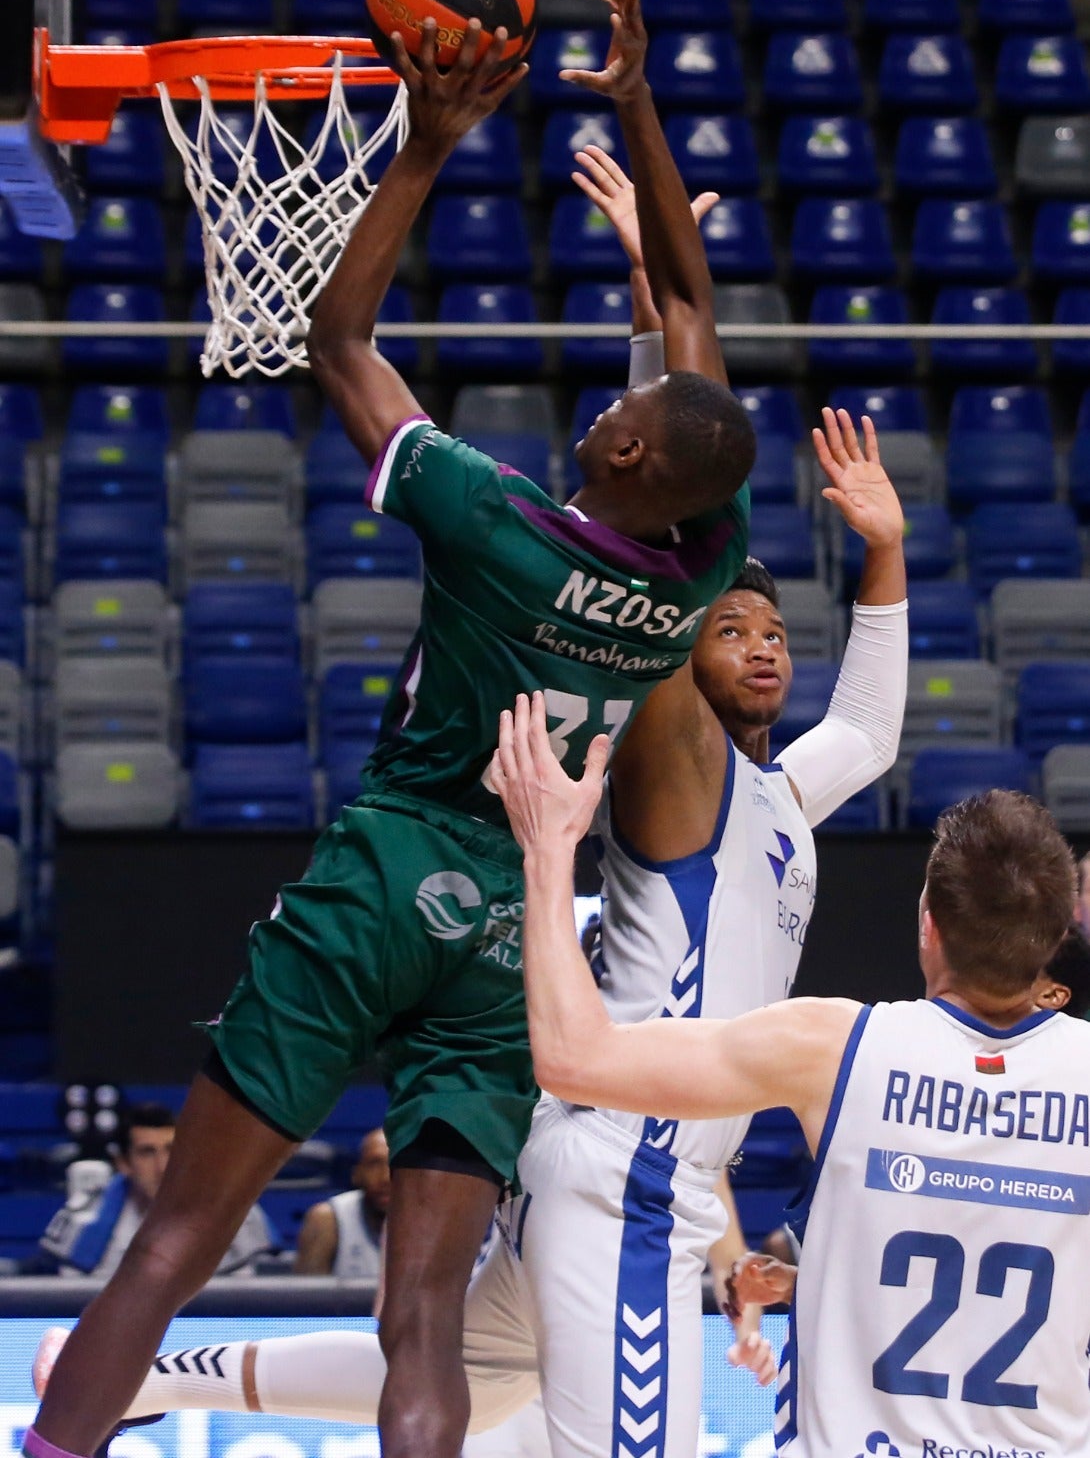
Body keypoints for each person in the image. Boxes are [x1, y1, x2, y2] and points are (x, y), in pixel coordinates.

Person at [26, 0, 755, 1458]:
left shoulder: (492, 518)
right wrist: (641, 109)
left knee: (172, 1242)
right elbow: (689, 316)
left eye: (613, 420)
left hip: (391, 865)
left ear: (624, 466)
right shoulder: (701, 563)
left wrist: (425, 142)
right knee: (417, 1314)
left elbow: (340, 343)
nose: (602, 410)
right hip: (513, 926)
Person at [37, 403, 908, 1450]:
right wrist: (666, 324)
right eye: (729, 628)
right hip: (614, 1158)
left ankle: (171, 1378)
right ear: (675, 642)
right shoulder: (674, 758)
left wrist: (886, 548)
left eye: (774, 633)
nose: (762, 648)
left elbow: (864, 729)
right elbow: (657, 531)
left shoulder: (777, 796)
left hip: (627, 1149)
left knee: (465, 1373)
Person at [491, 692, 1090, 1458]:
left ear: (927, 923)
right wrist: (821, 1284)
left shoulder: (835, 1046)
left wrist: (548, 851)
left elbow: (574, 1058)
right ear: (1056, 937)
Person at [728, 921, 1090, 1320]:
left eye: (1024, 961)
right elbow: (936, 1283)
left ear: (1054, 994)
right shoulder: (924, 1069)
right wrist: (805, 1284)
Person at [38, 1104, 274, 1280]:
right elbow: (68, 1304)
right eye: (147, 1152)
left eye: (172, 1150)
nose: (163, 1167)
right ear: (123, 1163)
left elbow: (243, 1304)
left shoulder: (232, 1212)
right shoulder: (86, 1219)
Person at [293, 1128, 389, 1280]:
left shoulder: (434, 1220)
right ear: (356, 1174)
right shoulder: (327, 1219)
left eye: (396, 1164)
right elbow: (304, 1301)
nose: (386, 1178)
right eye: (374, 1164)